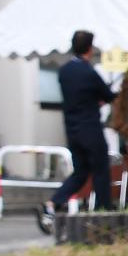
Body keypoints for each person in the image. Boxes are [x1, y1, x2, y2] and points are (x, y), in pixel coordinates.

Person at [39, 30, 117, 231]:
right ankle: (102, 213)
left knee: (80, 172)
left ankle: (53, 203)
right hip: (90, 128)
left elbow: (78, 95)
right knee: (100, 171)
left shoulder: (64, 72)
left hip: (72, 129)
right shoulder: (90, 73)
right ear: (90, 49)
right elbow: (108, 96)